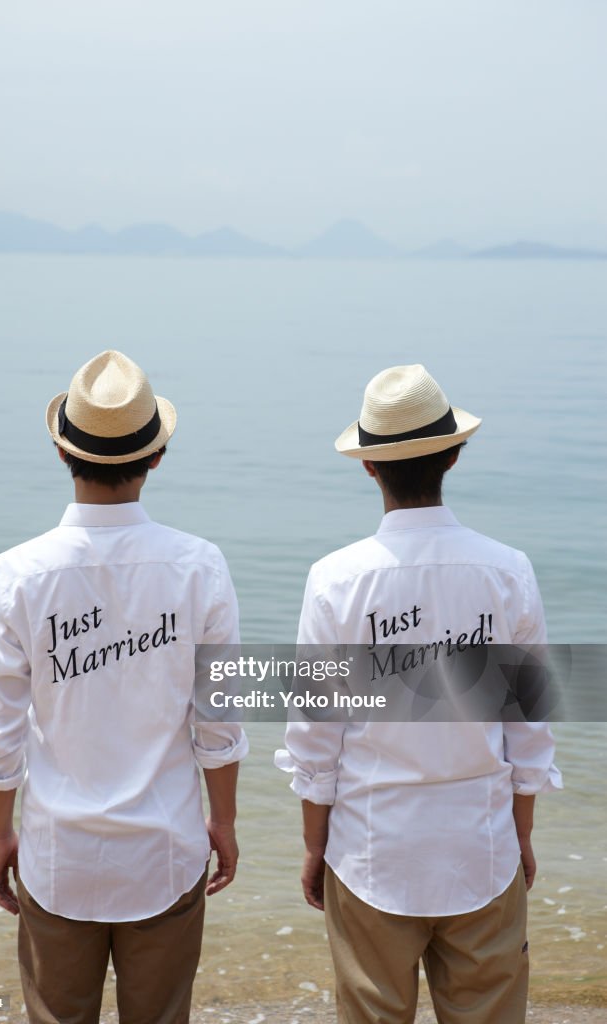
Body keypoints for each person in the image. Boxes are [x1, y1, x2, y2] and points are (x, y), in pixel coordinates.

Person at [275, 364, 561, 1024]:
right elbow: (530, 729)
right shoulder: (507, 571)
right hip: (481, 847)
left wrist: (315, 847)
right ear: (455, 455)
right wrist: (521, 836)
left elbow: (314, 737)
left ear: (369, 468)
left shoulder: (336, 581)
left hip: (372, 849)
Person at [0, 350, 248, 1024]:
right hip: (165, 853)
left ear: (64, 454)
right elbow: (219, 724)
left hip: (57, 855)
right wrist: (224, 821)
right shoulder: (199, 567)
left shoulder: (16, 575)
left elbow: (0, 734)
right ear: (155, 458)